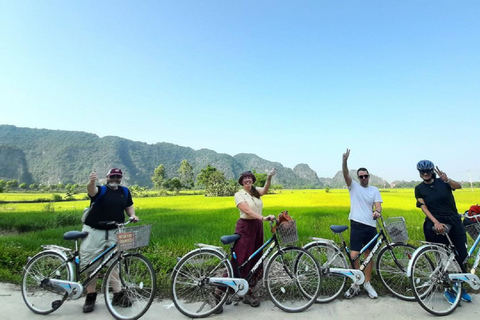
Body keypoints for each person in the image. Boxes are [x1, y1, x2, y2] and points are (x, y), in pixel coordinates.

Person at [81, 168, 139, 313]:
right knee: (91, 264)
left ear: (121, 178)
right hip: (94, 231)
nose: (115, 179)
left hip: (114, 232)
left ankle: (118, 294)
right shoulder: (100, 190)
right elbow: (91, 191)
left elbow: (129, 206)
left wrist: (132, 215)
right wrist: (92, 180)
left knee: (114, 263)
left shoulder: (124, 191)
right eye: (112, 176)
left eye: (118, 177)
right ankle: (90, 295)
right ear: (107, 177)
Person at [414, 160, 471, 303]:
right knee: (442, 257)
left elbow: (459, 186)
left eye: (427, 171)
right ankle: (447, 289)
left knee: (461, 255)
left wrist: (447, 179)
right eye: (422, 172)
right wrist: (436, 222)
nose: (425, 174)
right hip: (436, 224)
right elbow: (424, 207)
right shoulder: (419, 188)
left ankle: (460, 287)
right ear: (419, 173)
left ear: (432, 171)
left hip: (454, 220)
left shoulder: (442, 182)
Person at [342, 149, 382, 299]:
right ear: (358, 178)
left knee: (369, 255)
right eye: (361, 176)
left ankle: (367, 283)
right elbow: (345, 175)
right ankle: (356, 283)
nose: (364, 178)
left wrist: (377, 212)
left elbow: (378, 205)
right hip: (357, 225)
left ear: (369, 177)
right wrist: (345, 161)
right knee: (354, 255)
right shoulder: (354, 187)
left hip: (371, 226)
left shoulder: (374, 190)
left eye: (366, 176)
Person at [233, 170, 276, 308]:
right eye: (245, 178)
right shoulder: (239, 195)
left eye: (249, 178)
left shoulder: (255, 191)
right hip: (245, 227)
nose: (247, 180)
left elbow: (265, 190)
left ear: (252, 180)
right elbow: (247, 211)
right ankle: (219, 290)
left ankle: (247, 291)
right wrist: (263, 217)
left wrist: (269, 177)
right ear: (241, 181)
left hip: (257, 227)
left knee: (256, 258)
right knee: (242, 259)